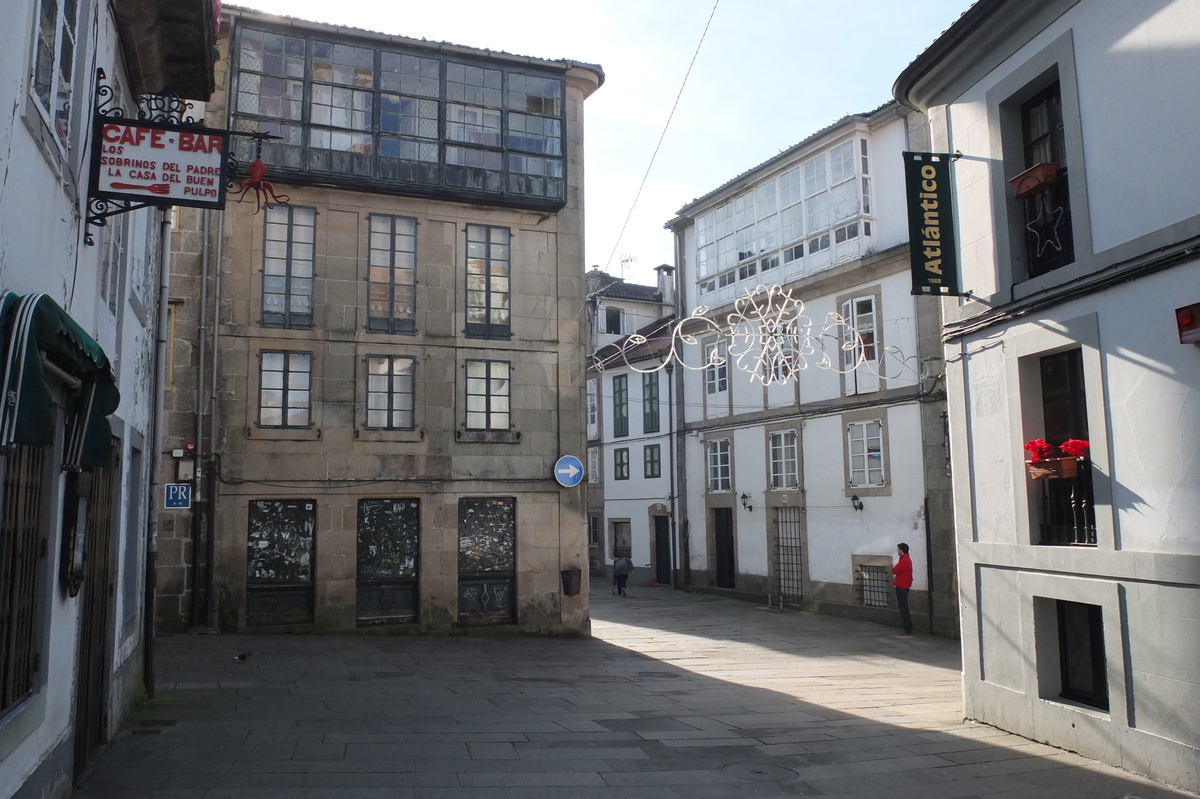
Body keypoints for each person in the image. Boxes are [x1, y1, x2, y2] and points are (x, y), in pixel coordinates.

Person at [892, 542, 914, 636]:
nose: (897, 551)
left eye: (899, 549)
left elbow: (894, 570)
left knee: (903, 607)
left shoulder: (905, 560)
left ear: (902, 550)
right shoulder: (905, 559)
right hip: (903, 584)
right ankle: (908, 627)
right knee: (903, 606)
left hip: (902, 585)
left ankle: (907, 628)